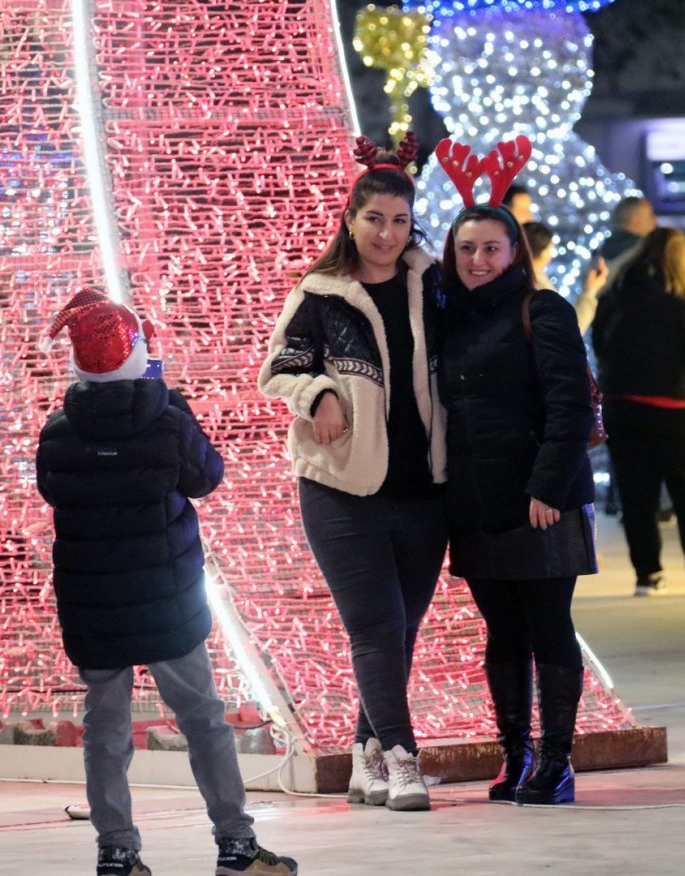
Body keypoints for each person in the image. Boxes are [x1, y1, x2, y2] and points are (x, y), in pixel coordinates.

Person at [37, 291, 297, 876]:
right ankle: (236, 847)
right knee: (203, 719)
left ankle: (117, 852)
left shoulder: (58, 431)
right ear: (138, 356)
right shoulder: (167, 417)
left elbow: (54, 492)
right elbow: (206, 477)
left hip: (94, 603)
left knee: (105, 727)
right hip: (166, 602)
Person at [258, 133, 448, 812]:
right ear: (350, 220)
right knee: (373, 624)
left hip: (424, 492)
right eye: (374, 219)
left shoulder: (434, 285)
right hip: (341, 487)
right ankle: (401, 759)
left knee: (400, 631)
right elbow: (278, 369)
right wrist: (320, 393)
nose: (387, 234)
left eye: (400, 220)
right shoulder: (322, 294)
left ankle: (364, 755)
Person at [435, 135, 597, 806]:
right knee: (502, 632)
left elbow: (570, 403)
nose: (478, 260)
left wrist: (546, 486)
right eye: (467, 249)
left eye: (491, 249)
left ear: (514, 254)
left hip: (541, 502)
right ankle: (515, 756)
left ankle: (556, 763)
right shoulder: (449, 321)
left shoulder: (544, 309)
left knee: (549, 625)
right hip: (476, 502)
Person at [592, 227, 685, 597]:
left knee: (637, 495)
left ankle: (647, 575)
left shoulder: (615, 296)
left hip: (623, 404)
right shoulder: (682, 299)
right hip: (674, 405)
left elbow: (600, 344)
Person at [574, 196, 657, 333]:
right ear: (634, 219)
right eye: (650, 215)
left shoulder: (597, 255)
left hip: (604, 334)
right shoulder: (646, 253)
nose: (655, 221)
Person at [523, 220, 609, 316]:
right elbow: (571, 328)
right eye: (550, 249)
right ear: (543, 252)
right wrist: (590, 291)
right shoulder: (540, 290)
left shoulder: (513, 275)